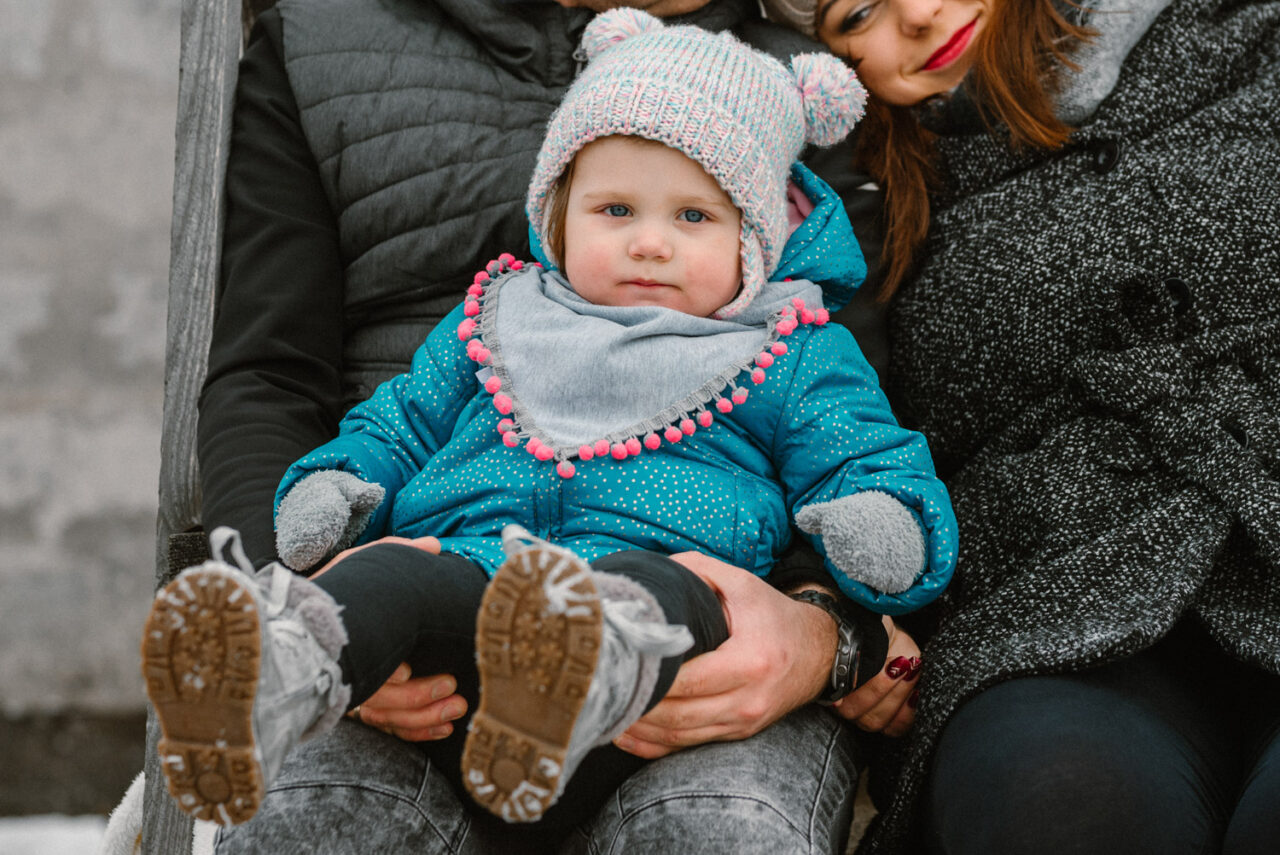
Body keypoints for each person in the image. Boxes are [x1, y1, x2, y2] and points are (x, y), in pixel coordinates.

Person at [147, 8, 958, 836]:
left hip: (679, 609)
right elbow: (391, 420)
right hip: (472, 587)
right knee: (392, 578)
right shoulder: (497, 313)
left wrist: (841, 600)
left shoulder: (784, 336)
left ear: (762, 241)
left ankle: (581, 666)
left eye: (693, 218)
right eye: (614, 213)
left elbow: (864, 448)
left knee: (665, 609)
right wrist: (330, 507)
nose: (650, 244)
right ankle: (275, 670)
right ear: (556, 217)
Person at [753, 0, 1280, 851]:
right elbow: (814, 409)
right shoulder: (868, 189)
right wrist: (838, 606)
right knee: (1056, 805)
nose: (919, 15)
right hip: (1056, 601)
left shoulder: (1237, 27)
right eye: (861, 13)